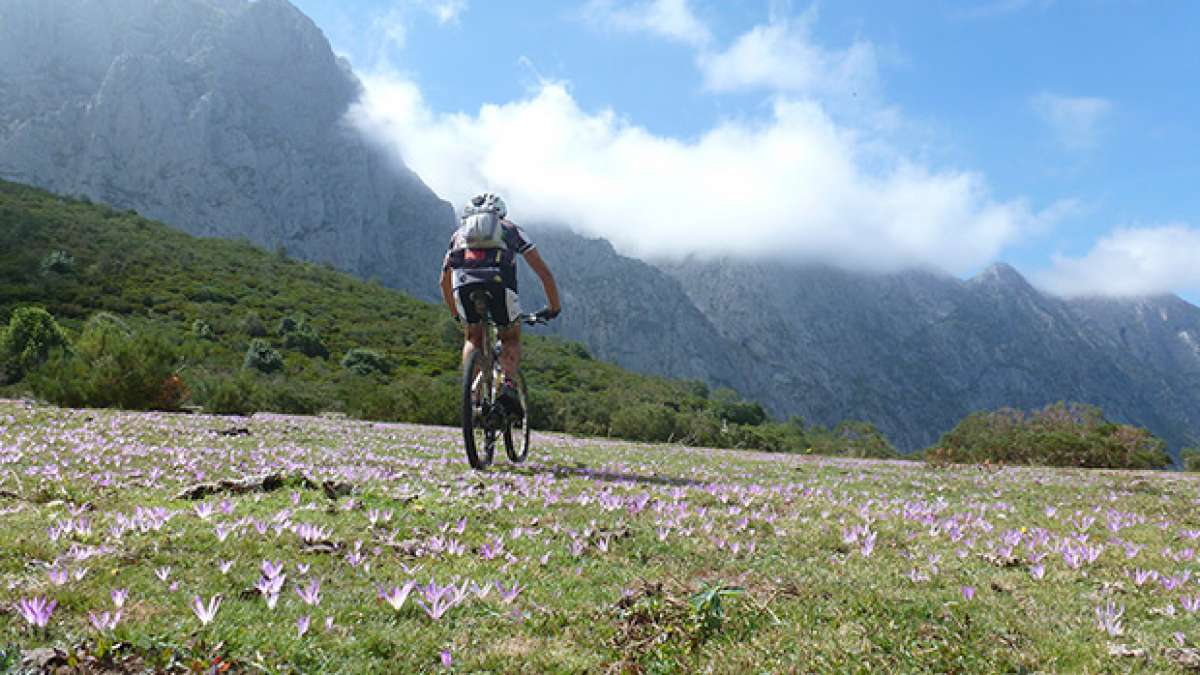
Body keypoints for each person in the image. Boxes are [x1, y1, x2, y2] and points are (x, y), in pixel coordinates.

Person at [439, 193, 561, 417]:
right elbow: (543, 272)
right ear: (500, 212)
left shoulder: (458, 235)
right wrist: (554, 307)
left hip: (464, 287)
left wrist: (456, 313)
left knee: (472, 337)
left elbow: (444, 280)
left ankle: (470, 395)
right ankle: (507, 385)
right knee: (509, 338)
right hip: (499, 286)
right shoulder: (510, 229)